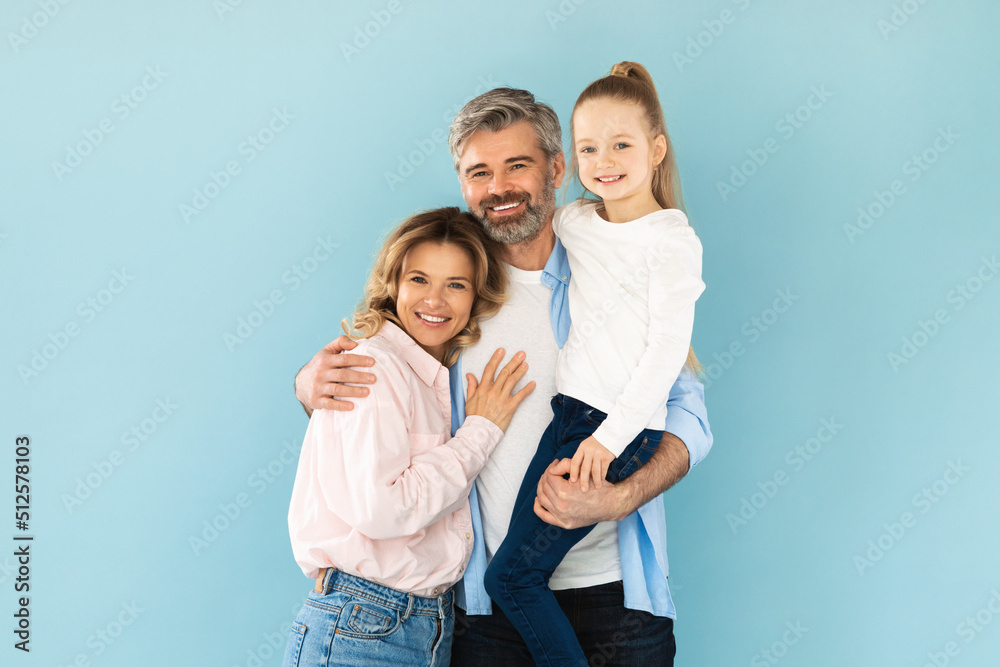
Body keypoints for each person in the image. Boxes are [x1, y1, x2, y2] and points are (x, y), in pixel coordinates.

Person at [294, 83, 713, 666]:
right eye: (478, 172)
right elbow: (386, 383)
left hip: (614, 593)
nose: (498, 188)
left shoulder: (613, 263)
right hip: (488, 612)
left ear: (558, 167)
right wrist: (310, 386)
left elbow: (688, 417)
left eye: (517, 165)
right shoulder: (449, 297)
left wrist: (620, 498)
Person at [482, 61, 705, 666]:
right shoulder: (573, 225)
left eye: (622, 144)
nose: (604, 160)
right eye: (590, 148)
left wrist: (609, 450)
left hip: (605, 442)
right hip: (569, 417)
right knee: (508, 579)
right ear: (573, 161)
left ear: (657, 149)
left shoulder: (672, 243)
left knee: (510, 580)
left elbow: (668, 371)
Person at [283, 207, 536, 667]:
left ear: (476, 295)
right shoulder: (374, 367)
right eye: (419, 279)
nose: (435, 301)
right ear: (393, 283)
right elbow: (385, 508)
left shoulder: (433, 375)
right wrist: (480, 432)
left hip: (421, 625)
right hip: (365, 625)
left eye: (455, 285)